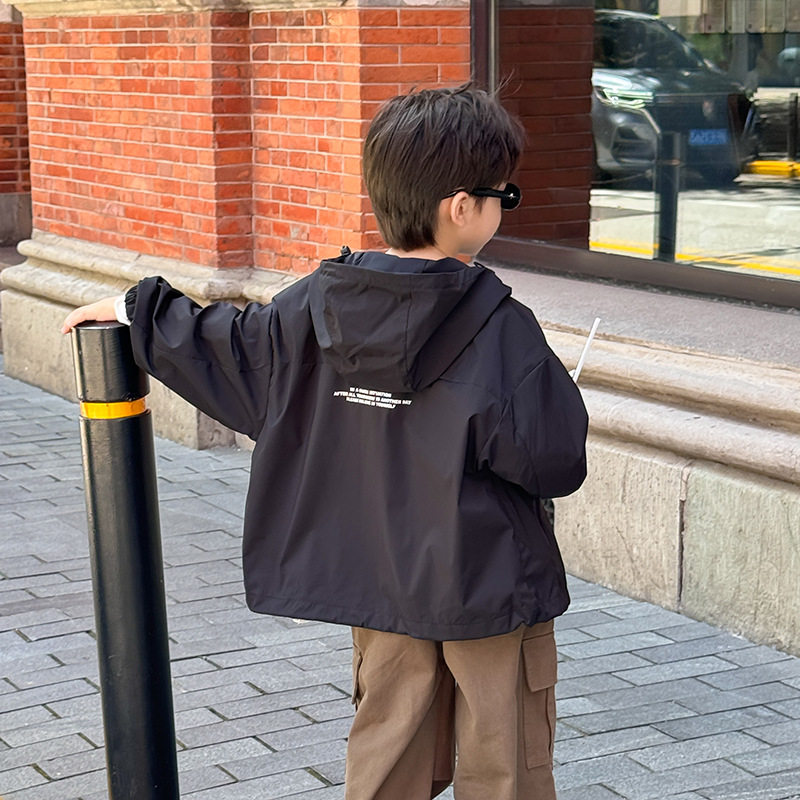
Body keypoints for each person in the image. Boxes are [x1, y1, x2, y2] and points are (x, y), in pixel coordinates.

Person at [62, 84, 588, 799]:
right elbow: (554, 460)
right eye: (506, 196)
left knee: (386, 757)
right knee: (505, 769)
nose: (505, 208)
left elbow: (231, 347)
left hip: (378, 582)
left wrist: (136, 311)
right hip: (487, 586)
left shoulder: (316, 304)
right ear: (463, 207)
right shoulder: (502, 327)